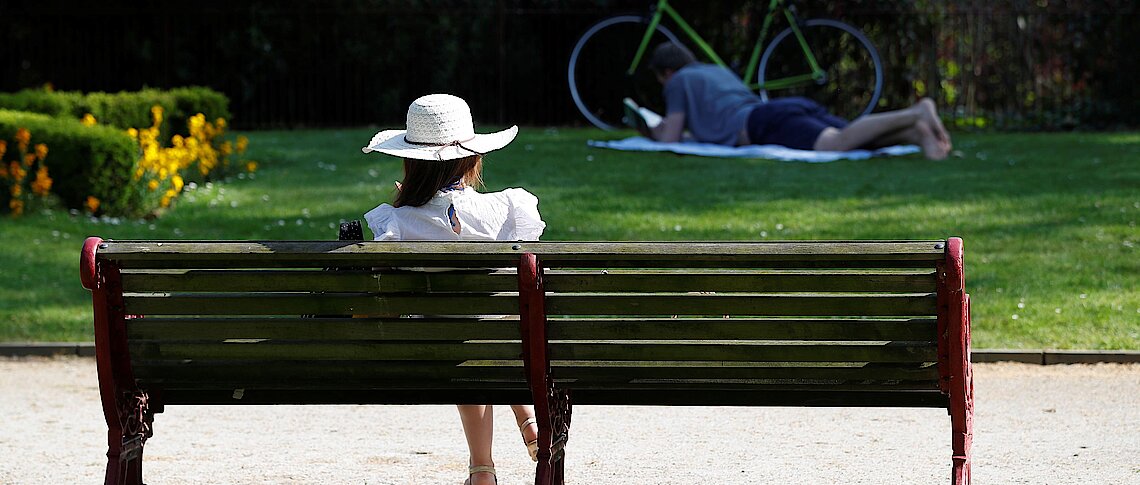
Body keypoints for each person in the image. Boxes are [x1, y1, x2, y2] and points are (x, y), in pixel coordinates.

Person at [360, 93, 543, 485]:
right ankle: (527, 419)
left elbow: (382, 284)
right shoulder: (509, 209)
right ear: (473, 158)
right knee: (499, 316)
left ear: (410, 162)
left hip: (444, 343)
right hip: (509, 340)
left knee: (464, 334)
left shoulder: (397, 222)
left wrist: (412, 207)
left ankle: (482, 469)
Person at [640, 42, 953, 160]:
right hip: (780, 110)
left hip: (764, 123)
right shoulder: (713, 70)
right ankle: (915, 132)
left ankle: (914, 112)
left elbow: (670, 138)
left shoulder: (677, 80)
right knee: (856, 139)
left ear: (666, 71)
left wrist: (650, 129)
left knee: (837, 144)